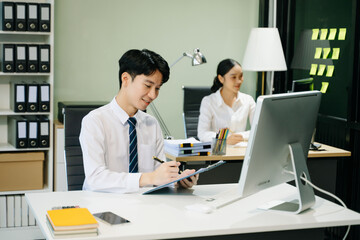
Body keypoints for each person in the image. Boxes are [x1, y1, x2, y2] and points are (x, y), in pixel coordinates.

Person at [80, 49, 198, 193]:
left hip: (144, 205)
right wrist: (149, 178)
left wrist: (176, 180)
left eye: (158, 88)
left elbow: (157, 176)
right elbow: (96, 179)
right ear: (126, 79)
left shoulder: (151, 124)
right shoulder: (95, 121)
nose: (153, 95)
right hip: (103, 204)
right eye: (148, 86)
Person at [197, 58, 256, 145]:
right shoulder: (208, 102)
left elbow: (258, 129)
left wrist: (240, 136)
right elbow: (202, 133)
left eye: (241, 76)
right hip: (217, 154)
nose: (239, 81)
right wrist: (224, 139)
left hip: (240, 154)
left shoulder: (248, 100)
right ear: (221, 78)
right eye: (233, 77)